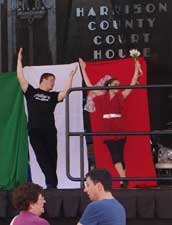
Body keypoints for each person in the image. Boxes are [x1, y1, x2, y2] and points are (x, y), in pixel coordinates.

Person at [17, 48, 77, 189]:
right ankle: (52, 184)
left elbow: (64, 93)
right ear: (43, 80)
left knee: (52, 158)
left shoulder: (52, 96)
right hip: (34, 131)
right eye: (51, 80)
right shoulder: (31, 91)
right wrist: (19, 61)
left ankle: (52, 184)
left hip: (49, 131)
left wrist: (71, 77)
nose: (53, 83)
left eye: (54, 81)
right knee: (41, 158)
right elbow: (20, 77)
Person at [79, 58, 142, 188]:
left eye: (118, 84)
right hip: (107, 128)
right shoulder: (102, 95)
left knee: (120, 155)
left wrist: (136, 67)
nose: (117, 86)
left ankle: (122, 181)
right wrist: (83, 69)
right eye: (114, 84)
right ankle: (124, 179)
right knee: (115, 155)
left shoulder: (121, 95)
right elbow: (89, 85)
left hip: (119, 127)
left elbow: (132, 84)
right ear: (108, 85)